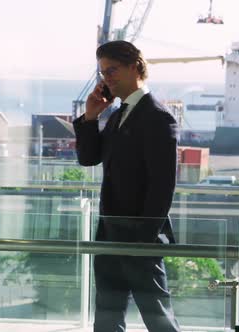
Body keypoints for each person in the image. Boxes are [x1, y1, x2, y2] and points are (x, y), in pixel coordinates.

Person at [73, 40, 181, 332]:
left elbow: (162, 186)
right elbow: (88, 158)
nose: (107, 78)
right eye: (103, 73)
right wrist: (91, 116)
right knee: (107, 318)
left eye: (113, 70)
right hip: (109, 233)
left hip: (139, 238)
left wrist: (143, 241)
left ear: (134, 67)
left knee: (159, 319)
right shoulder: (118, 114)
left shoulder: (158, 117)